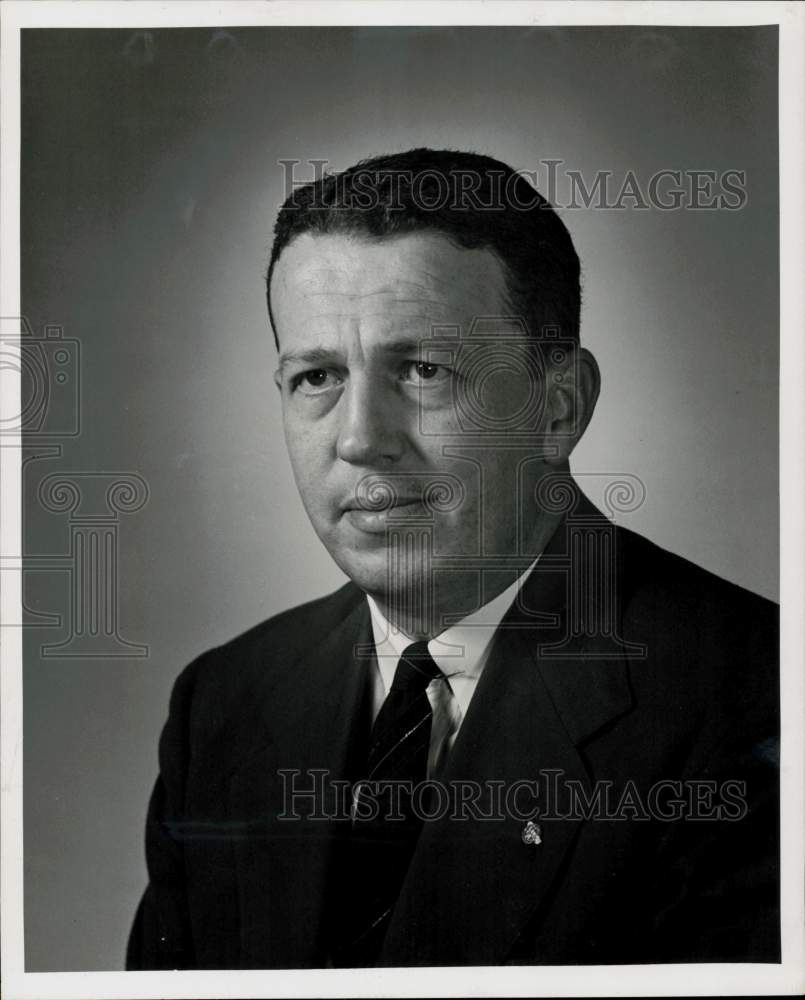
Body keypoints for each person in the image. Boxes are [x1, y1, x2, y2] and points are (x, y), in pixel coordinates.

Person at [127, 149, 779, 969]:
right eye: (317, 376)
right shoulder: (221, 705)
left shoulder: (754, 699)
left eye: (424, 370)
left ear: (558, 405)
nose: (360, 438)